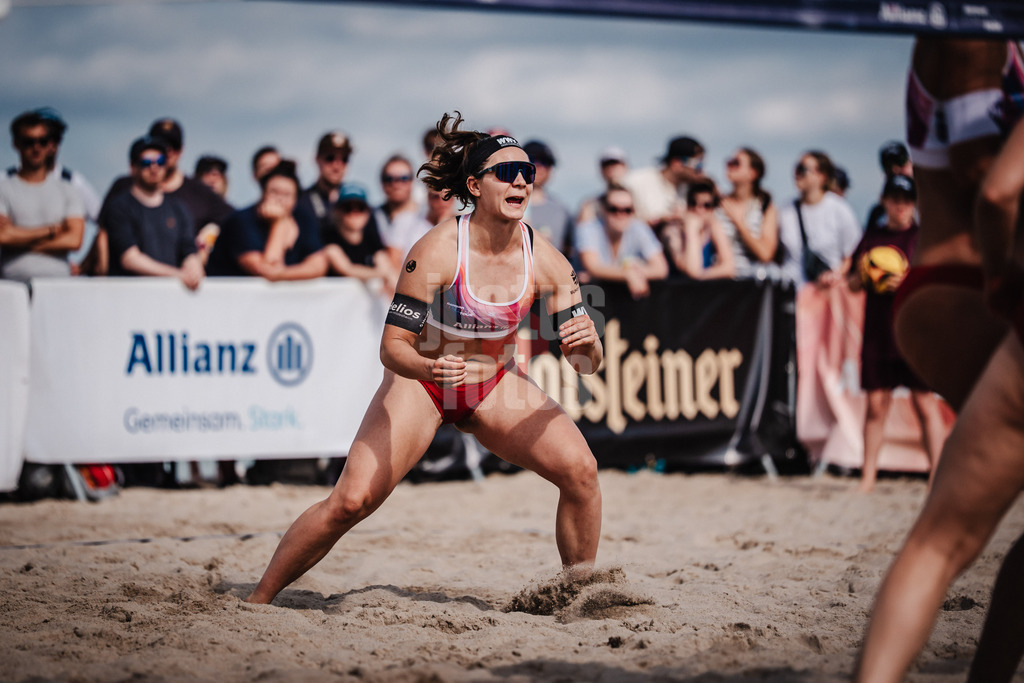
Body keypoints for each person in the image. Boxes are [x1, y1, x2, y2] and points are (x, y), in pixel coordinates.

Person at [246, 112, 603, 605]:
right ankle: (258, 600)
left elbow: (587, 365)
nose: (520, 179)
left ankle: (580, 596)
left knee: (581, 472)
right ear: (475, 186)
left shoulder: (547, 258)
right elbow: (391, 348)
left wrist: (586, 346)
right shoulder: (435, 250)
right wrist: (428, 368)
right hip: (423, 380)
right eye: (506, 172)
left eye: (528, 172)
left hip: (494, 384)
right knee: (351, 502)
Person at [855, 37, 1024, 682]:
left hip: (981, 284)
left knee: (951, 534)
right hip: (963, 284)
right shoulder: (969, 28)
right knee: (945, 535)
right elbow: (988, 176)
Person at [845, 174, 946, 493]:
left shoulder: (923, 236)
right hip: (878, 330)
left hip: (915, 331)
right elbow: (851, 283)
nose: (901, 206)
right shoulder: (871, 236)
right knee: (876, 406)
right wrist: (861, 277)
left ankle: (936, 476)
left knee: (924, 403)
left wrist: (908, 282)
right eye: (895, 199)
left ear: (914, 203)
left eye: (906, 199)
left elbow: (938, 282)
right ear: (884, 200)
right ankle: (868, 477)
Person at [103, 136, 203, 290]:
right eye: (146, 162)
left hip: (170, 299)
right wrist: (178, 275)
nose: (154, 168)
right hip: (128, 298)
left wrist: (194, 269)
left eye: (160, 161)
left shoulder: (179, 208)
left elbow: (189, 250)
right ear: (133, 167)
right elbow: (130, 259)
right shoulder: (119, 207)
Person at [0, 108, 84, 285]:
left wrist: (19, 241)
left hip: (58, 286)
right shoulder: (3, 187)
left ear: (50, 145)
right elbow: (3, 236)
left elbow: (75, 240)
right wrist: (52, 231)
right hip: (11, 287)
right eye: (28, 142)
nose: (36, 147)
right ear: (16, 144)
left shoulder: (68, 188)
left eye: (43, 141)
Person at [206, 160, 327, 281]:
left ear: (295, 200)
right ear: (263, 193)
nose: (280, 199)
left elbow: (318, 266)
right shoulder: (241, 221)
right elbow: (266, 269)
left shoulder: (303, 219)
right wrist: (278, 223)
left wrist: (281, 274)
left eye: (287, 194)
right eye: (274, 192)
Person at [777, 150, 861, 287]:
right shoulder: (785, 210)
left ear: (822, 176)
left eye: (802, 169)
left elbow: (852, 254)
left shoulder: (839, 209)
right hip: (791, 293)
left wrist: (836, 276)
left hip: (825, 294)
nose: (796, 174)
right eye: (796, 168)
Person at [575, 184, 669, 298]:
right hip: (586, 301)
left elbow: (661, 269)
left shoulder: (639, 228)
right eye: (614, 209)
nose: (620, 214)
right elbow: (593, 267)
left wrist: (633, 273)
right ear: (603, 209)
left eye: (627, 210)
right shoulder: (588, 228)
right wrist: (627, 274)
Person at [716, 147, 780, 279]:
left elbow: (765, 254)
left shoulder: (765, 207)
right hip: (720, 282)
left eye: (736, 163)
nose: (729, 166)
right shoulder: (717, 204)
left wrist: (739, 222)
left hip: (753, 283)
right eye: (729, 161)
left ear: (753, 173)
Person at [323, 183, 397, 292]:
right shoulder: (329, 239)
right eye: (347, 208)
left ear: (368, 213)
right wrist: (381, 274)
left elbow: (386, 267)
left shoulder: (372, 241)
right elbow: (347, 269)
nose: (354, 213)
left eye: (360, 208)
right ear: (338, 212)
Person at [622, 135, 706, 230]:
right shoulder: (635, 181)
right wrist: (659, 221)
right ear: (676, 163)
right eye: (697, 163)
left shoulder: (693, 189)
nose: (701, 168)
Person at [662, 182, 735, 280]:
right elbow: (691, 270)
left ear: (713, 209)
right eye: (693, 203)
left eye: (706, 205)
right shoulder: (672, 231)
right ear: (687, 205)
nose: (699, 209)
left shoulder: (713, 226)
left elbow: (729, 268)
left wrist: (702, 275)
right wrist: (691, 229)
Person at [373, 154, 431, 263]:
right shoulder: (370, 217)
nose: (396, 184)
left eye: (403, 178)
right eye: (389, 179)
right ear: (381, 182)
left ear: (412, 181)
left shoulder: (427, 215)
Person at [522, 139, 574, 257]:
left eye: (546, 162)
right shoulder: (506, 204)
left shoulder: (562, 210)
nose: (539, 166)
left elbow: (569, 250)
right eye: (533, 160)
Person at [296, 131, 351, 237]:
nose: (337, 166)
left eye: (344, 159)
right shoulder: (300, 202)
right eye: (330, 158)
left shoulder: (358, 204)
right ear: (317, 159)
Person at [865, 141, 913, 230]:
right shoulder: (878, 214)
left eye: (900, 161)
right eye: (888, 166)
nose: (896, 170)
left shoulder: (931, 202)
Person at [577, 146, 629, 225]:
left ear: (625, 167)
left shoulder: (639, 201)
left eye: (627, 210)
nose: (611, 169)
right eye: (607, 165)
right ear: (601, 170)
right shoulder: (591, 206)